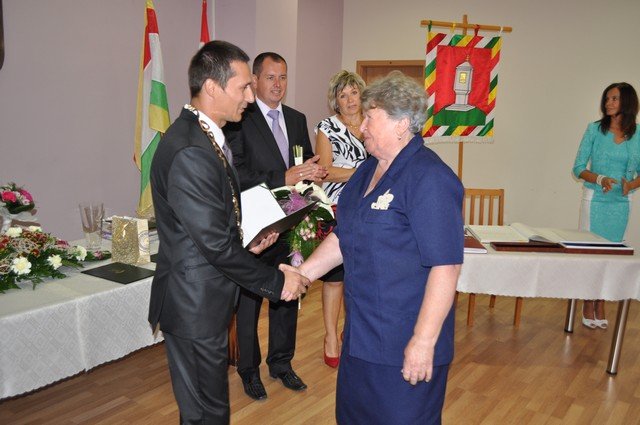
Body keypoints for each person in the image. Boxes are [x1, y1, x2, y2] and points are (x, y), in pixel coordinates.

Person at [148, 40, 310, 424]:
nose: (251, 98)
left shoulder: (205, 137)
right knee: (209, 414)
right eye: (243, 87)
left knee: (206, 411)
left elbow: (210, 228)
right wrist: (277, 281)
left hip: (205, 297)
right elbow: (215, 246)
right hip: (194, 305)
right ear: (211, 87)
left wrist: (248, 244)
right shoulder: (190, 149)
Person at [298, 71, 464, 424]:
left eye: (370, 118)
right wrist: (303, 274)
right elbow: (345, 234)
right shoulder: (367, 170)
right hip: (361, 338)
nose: (361, 128)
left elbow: (446, 266)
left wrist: (423, 341)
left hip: (404, 341)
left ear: (402, 124)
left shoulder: (430, 178)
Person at [225, 52, 327, 400]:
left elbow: (302, 164)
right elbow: (236, 173)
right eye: (270, 77)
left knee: (288, 294)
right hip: (256, 227)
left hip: (291, 223)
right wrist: (282, 177)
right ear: (254, 80)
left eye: (282, 77)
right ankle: (248, 370)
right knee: (250, 301)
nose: (277, 84)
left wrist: (312, 173)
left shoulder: (297, 118)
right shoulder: (240, 118)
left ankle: (282, 364)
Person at [572, 82, 640, 330]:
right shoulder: (594, 130)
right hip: (595, 200)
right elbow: (578, 168)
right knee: (592, 254)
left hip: (620, 204)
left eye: (614, 99)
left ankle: (600, 303)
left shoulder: (638, 134)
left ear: (627, 102)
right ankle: (587, 302)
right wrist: (600, 179)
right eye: (607, 98)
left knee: (612, 256)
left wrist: (630, 185)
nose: (608, 103)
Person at [314, 70, 368, 368]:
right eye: (342, 95)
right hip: (337, 210)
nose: (349, 100)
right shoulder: (327, 127)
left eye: (353, 93)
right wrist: (362, 173)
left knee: (359, 277)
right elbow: (324, 172)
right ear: (335, 100)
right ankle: (331, 337)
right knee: (335, 279)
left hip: (370, 211)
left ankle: (352, 331)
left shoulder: (374, 122)